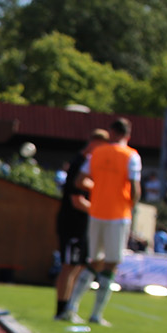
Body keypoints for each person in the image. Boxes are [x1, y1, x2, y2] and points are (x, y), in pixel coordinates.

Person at [61, 118, 140, 327]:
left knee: (92, 260)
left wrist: (99, 190)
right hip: (118, 214)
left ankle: (72, 307)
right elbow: (134, 188)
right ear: (127, 134)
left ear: (111, 132)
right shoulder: (131, 155)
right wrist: (130, 204)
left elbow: (80, 181)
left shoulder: (97, 153)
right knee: (110, 263)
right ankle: (96, 314)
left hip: (96, 213)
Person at [54, 130, 108, 320]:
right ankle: (62, 310)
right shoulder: (79, 164)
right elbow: (77, 200)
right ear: (94, 143)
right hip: (72, 223)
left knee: (77, 266)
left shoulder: (86, 165)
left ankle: (67, 308)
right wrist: (100, 208)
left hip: (80, 223)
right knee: (69, 265)